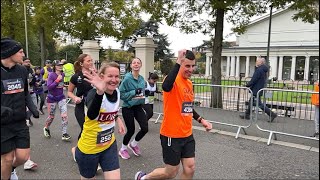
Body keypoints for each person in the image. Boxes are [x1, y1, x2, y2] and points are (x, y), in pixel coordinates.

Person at [134, 49, 212, 180]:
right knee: (171, 172)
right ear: (180, 64)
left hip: (187, 134)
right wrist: (177, 62)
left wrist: (201, 120)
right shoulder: (172, 80)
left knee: (190, 167)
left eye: (193, 66)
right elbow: (165, 86)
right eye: (187, 65)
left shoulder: (189, 83)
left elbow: (187, 107)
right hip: (171, 134)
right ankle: (143, 178)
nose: (191, 69)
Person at [75, 62, 126, 179]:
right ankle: (76, 151)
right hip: (89, 149)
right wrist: (100, 93)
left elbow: (111, 109)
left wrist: (118, 119)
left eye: (117, 76)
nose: (114, 80)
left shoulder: (117, 92)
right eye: (110, 76)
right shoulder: (93, 94)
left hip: (109, 145)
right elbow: (92, 115)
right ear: (102, 77)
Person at [1, 38, 39, 179]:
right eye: (21, 52)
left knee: (23, 157)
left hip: (20, 121)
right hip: (3, 124)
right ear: (10, 53)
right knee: (7, 158)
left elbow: (25, 93)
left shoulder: (22, 70)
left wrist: (32, 108)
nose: (23, 55)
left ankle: (10, 170)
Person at [118, 57, 148, 160]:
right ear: (131, 65)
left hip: (138, 106)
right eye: (134, 63)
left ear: (140, 65)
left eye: (138, 63)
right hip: (128, 107)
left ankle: (133, 144)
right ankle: (123, 149)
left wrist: (144, 95)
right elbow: (121, 94)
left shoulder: (142, 79)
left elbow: (142, 92)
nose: (136, 64)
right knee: (131, 130)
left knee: (145, 128)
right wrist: (134, 92)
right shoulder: (127, 78)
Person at [67, 54, 94, 161]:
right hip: (81, 106)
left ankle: (78, 150)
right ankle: (82, 153)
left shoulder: (96, 75)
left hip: (94, 106)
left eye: (91, 60)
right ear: (81, 63)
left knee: (92, 130)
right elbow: (69, 92)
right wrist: (75, 97)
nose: (91, 62)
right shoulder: (76, 77)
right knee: (85, 129)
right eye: (88, 61)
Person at [239, 57, 277, 122]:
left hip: (256, 89)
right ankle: (247, 114)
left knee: (259, 104)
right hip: (258, 88)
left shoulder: (259, 70)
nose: (256, 62)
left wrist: (247, 85)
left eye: (257, 61)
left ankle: (272, 114)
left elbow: (254, 80)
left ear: (261, 62)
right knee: (251, 102)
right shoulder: (263, 70)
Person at [43, 60, 71, 141]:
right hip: (51, 98)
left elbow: (60, 85)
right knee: (51, 117)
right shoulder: (51, 75)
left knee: (64, 116)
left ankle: (64, 133)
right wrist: (57, 80)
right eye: (58, 65)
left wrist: (65, 85)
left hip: (61, 97)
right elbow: (49, 87)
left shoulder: (63, 74)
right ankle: (46, 128)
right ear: (55, 66)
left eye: (61, 65)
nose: (60, 66)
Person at [22, 57, 37, 127]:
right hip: (24, 93)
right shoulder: (20, 70)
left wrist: (34, 79)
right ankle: (27, 119)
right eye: (26, 62)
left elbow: (33, 80)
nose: (28, 63)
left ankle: (28, 117)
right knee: (24, 108)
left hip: (32, 90)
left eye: (29, 62)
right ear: (22, 62)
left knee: (35, 106)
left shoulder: (31, 70)